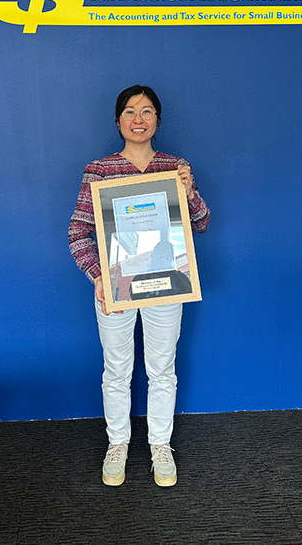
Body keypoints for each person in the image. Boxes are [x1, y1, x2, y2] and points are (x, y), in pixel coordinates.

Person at [69, 85, 210, 487]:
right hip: (115, 286)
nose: (138, 119)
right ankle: (118, 443)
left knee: (162, 369)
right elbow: (78, 232)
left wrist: (189, 191)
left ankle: (160, 445)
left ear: (157, 120)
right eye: (130, 111)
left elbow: (200, 223)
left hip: (167, 283)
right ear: (118, 121)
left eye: (147, 111)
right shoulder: (99, 170)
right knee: (116, 369)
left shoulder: (174, 167)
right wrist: (98, 276)